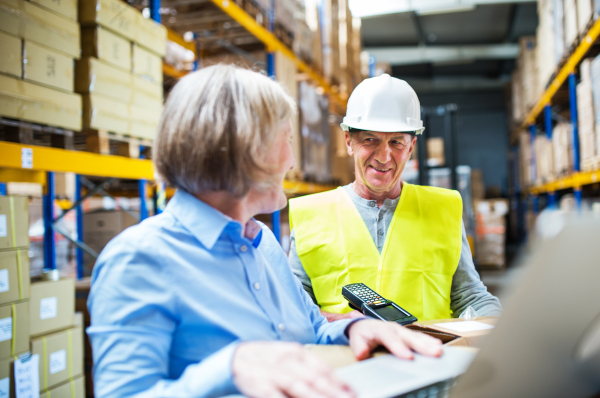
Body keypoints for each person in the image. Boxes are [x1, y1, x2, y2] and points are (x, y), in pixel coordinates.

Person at [86, 65, 444, 398]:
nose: (291, 160)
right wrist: (231, 366)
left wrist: (353, 329)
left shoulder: (263, 244)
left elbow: (310, 331)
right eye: (285, 139)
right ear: (242, 148)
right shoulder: (138, 259)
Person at [288, 73, 502, 322]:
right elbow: (293, 304)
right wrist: (346, 324)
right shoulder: (312, 214)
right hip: (346, 357)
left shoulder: (443, 209)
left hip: (427, 356)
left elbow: (470, 296)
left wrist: (496, 330)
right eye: (370, 140)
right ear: (349, 142)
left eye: (397, 142)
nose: (384, 156)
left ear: (411, 147)